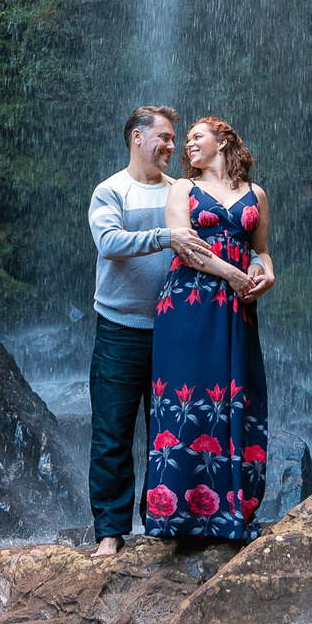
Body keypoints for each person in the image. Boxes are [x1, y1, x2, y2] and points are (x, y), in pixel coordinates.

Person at [87, 105, 216, 557]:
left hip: (173, 329)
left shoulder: (180, 191)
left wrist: (256, 264)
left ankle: (162, 523)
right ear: (137, 138)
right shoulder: (111, 190)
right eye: (164, 137)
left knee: (171, 432)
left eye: (174, 138)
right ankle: (110, 531)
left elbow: (216, 237)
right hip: (119, 329)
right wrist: (165, 236)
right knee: (112, 432)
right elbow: (108, 242)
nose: (172, 146)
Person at [144, 115, 274, 543]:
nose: (187, 145)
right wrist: (233, 275)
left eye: (196, 136)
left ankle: (231, 515)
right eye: (186, 140)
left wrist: (266, 273)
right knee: (187, 398)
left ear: (223, 141)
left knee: (234, 396)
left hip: (237, 309)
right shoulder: (183, 188)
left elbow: (261, 252)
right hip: (188, 303)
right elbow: (186, 247)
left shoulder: (256, 194)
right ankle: (176, 517)